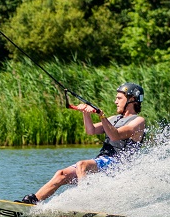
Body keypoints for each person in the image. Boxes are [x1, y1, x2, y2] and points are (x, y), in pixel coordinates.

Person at [17, 82, 146, 204]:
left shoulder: (138, 121)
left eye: (119, 98)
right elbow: (91, 131)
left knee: (82, 165)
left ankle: (85, 203)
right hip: (103, 161)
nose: (115, 101)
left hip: (119, 164)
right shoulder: (114, 119)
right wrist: (86, 113)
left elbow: (115, 135)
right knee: (61, 174)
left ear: (132, 99)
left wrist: (101, 116)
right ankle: (33, 202)